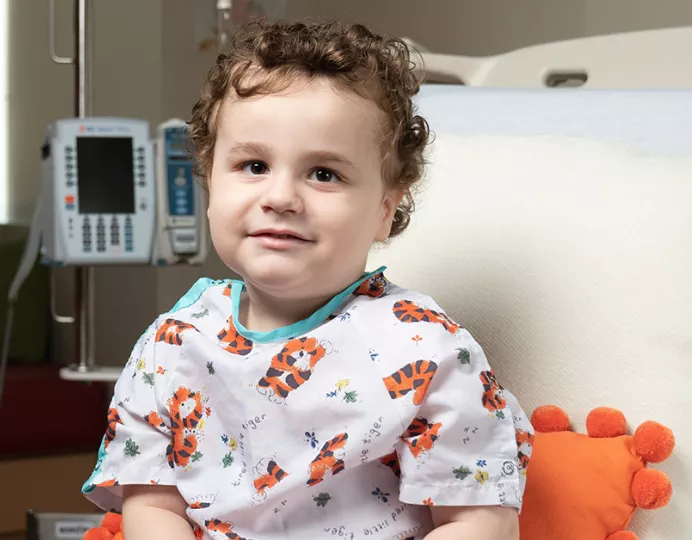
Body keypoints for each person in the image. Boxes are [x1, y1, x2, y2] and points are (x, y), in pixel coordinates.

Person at [82, 19, 533, 540]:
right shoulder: (172, 346)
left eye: (324, 174)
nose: (279, 197)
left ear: (386, 209)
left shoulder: (426, 350)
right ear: (209, 180)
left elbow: (480, 521)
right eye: (253, 164)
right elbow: (153, 506)